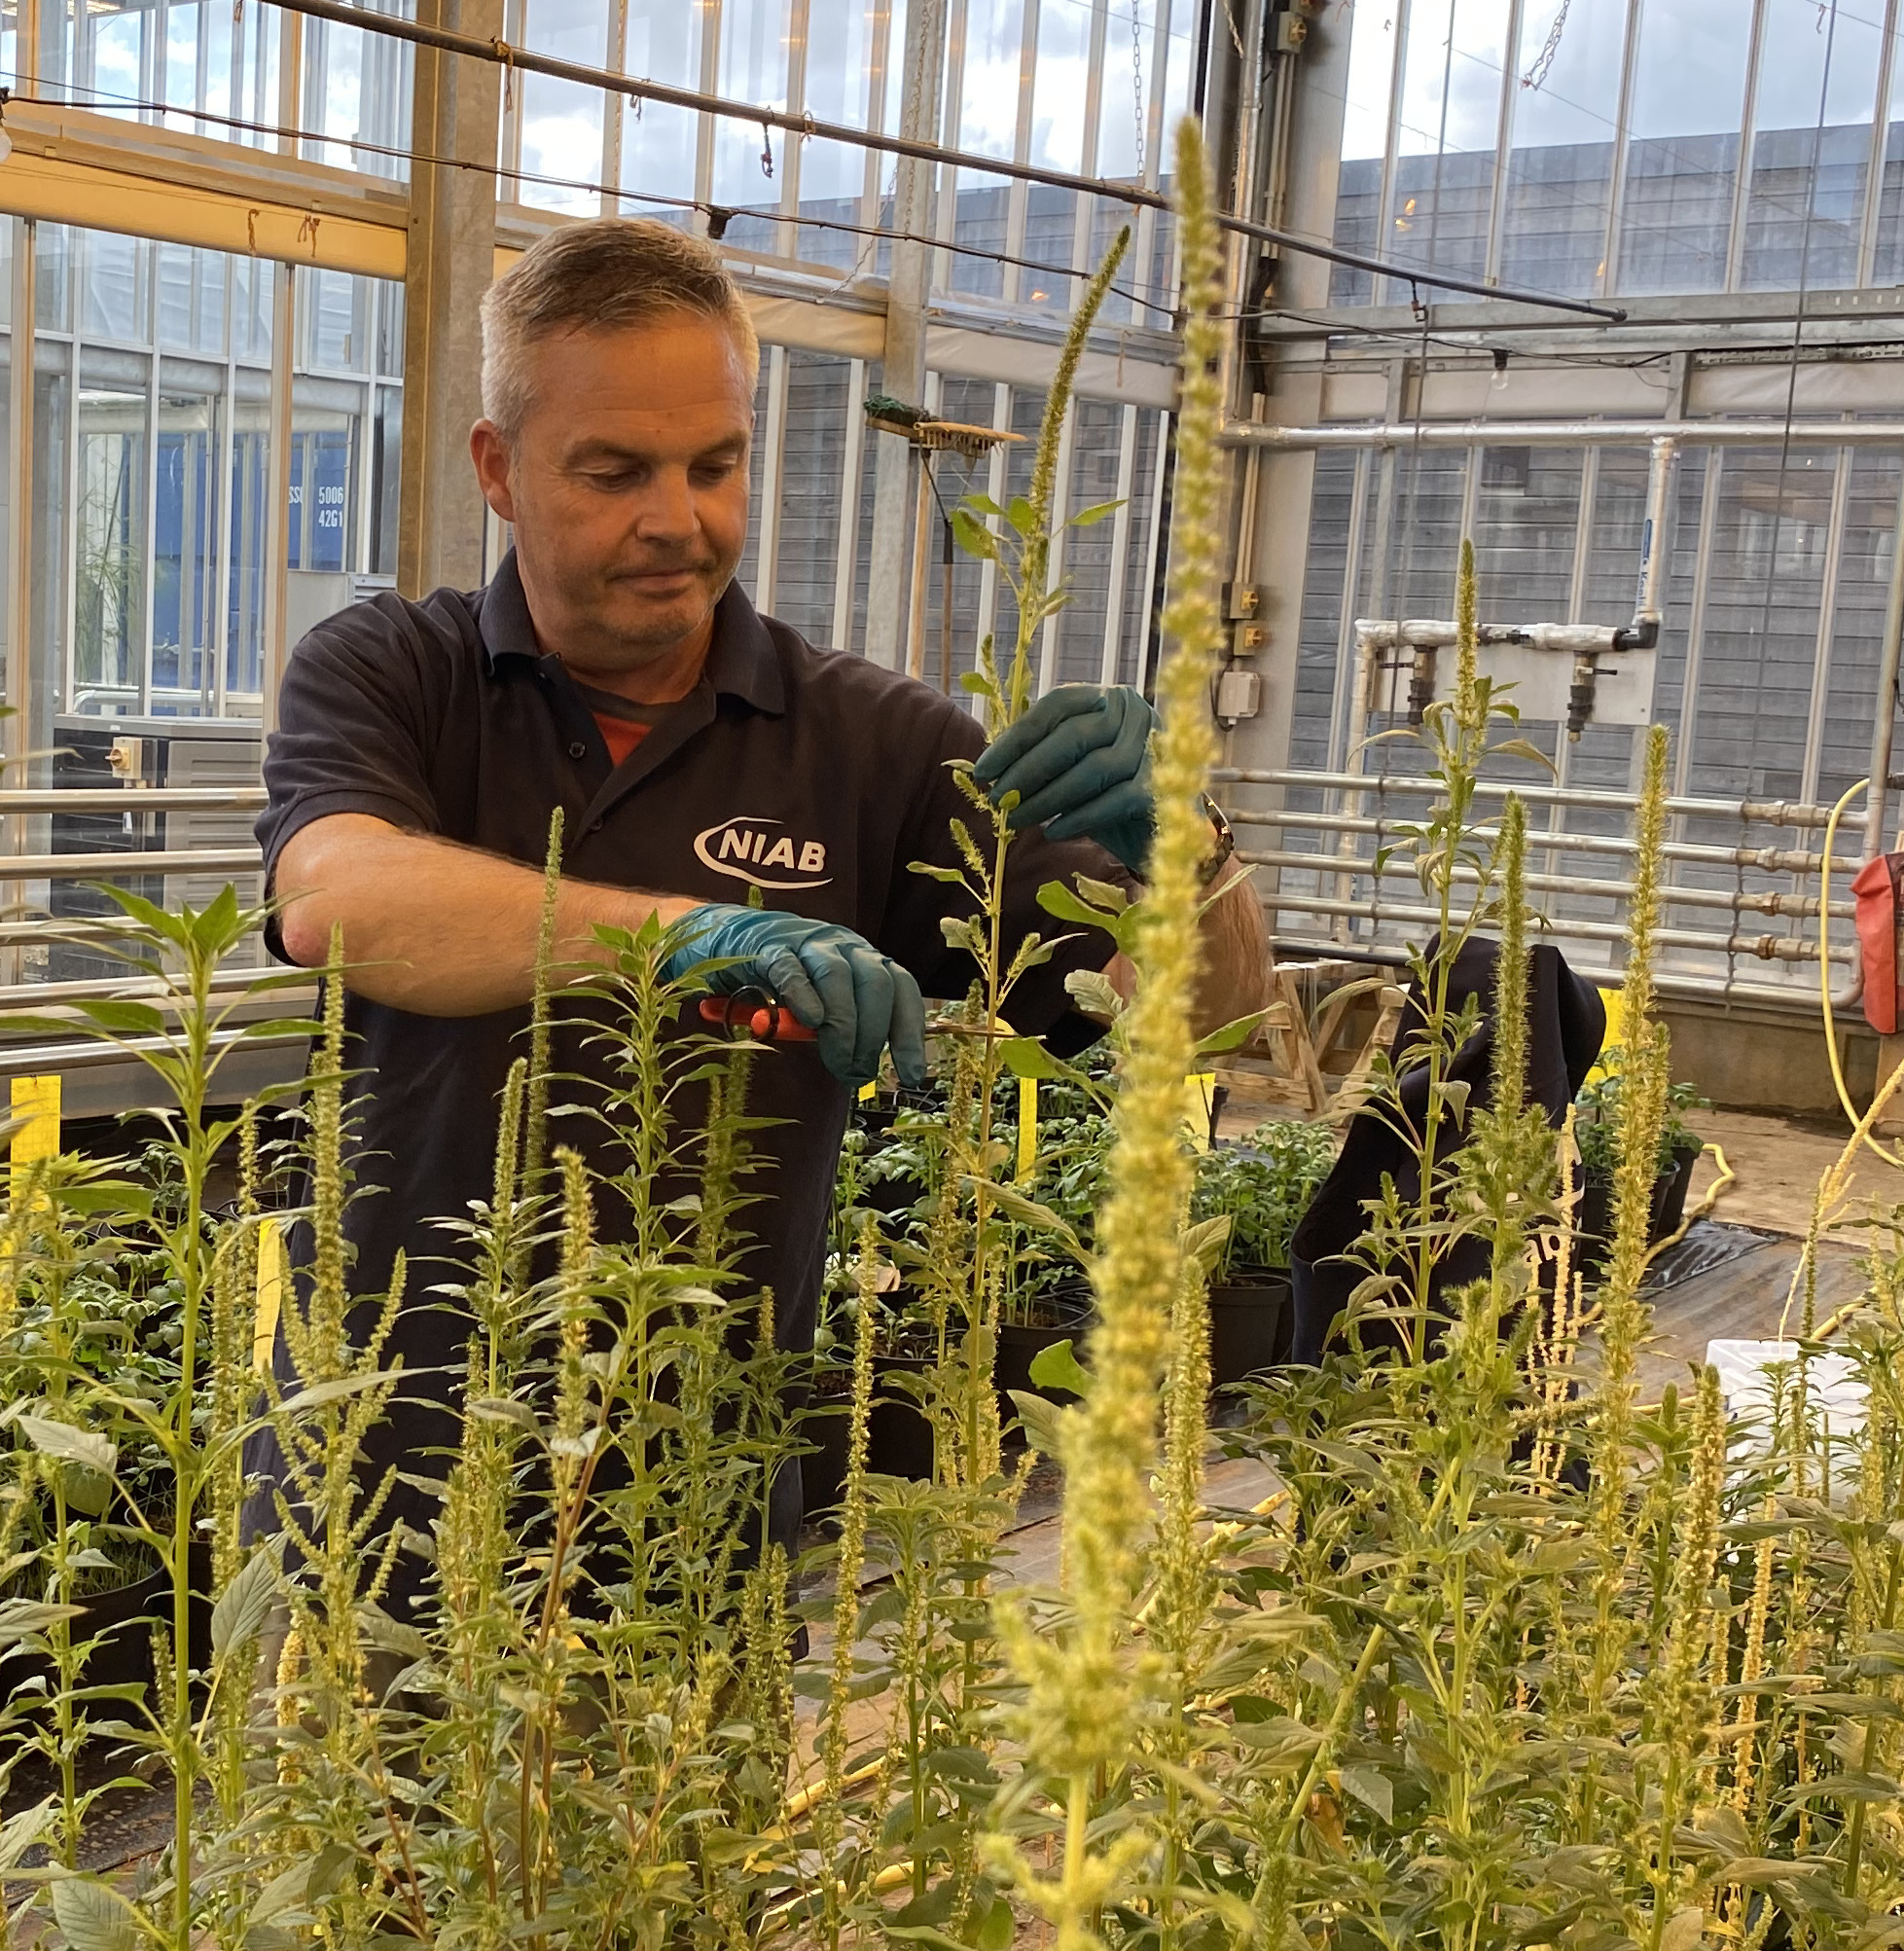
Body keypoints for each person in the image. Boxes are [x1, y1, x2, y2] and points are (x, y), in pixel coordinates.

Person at [256, 216, 1262, 1576]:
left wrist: (1193, 854)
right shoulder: (392, 672)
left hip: (697, 1515)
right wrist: (694, 938)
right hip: (375, 1498)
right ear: (499, 469)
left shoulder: (876, 746)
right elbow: (337, 903)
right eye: (612, 472)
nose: (675, 520)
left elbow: (1197, 1030)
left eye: (714, 465)